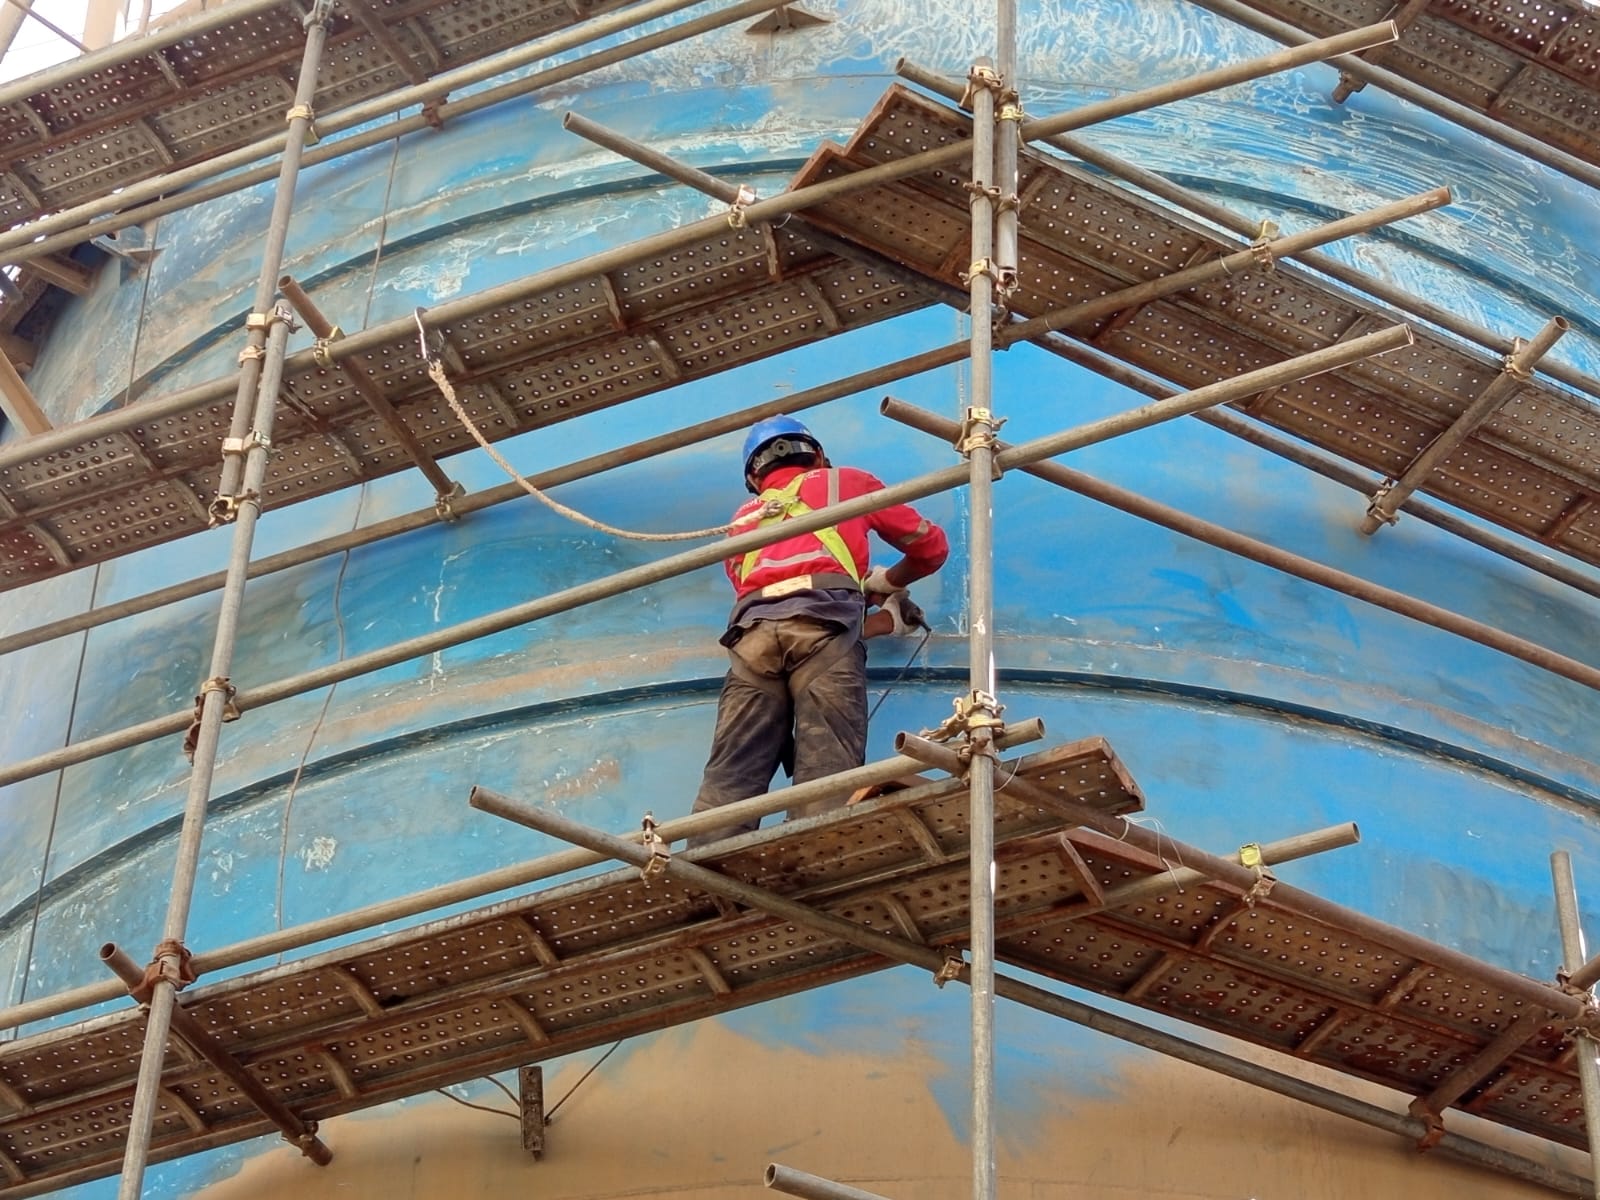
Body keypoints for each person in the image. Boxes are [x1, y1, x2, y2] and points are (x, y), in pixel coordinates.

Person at [687, 414, 949, 844]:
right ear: (819, 457)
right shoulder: (845, 484)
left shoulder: (741, 521)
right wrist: (889, 583)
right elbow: (930, 548)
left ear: (753, 477)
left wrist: (874, 614)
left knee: (731, 776)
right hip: (825, 631)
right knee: (827, 770)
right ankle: (813, 855)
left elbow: (779, 602)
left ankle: (705, 877)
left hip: (750, 641)